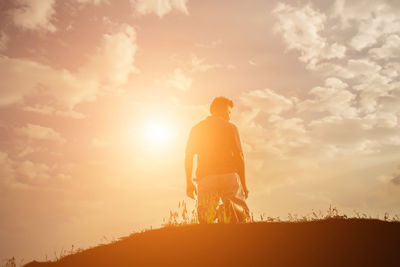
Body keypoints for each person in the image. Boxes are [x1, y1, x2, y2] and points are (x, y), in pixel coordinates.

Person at [185, 96, 250, 223]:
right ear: (222, 110)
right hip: (228, 175)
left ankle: (214, 233)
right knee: (240, 215)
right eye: (229, 112)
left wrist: (189, 182)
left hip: (206, 177)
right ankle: (227, 209)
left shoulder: (197, 129)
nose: (229, 116)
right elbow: (239, 156)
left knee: (205, 217)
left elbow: (188, 156)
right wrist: (243, 183)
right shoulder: (231, 127)